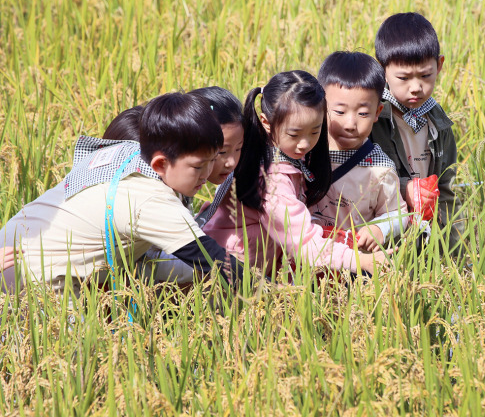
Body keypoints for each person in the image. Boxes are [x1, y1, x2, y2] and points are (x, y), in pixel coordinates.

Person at [0, 92, 241, 295]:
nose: (207, 173)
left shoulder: (128, 153)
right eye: (198, 166)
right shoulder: (150, 200)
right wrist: (273, 296)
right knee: (82, 349)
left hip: (14, 241)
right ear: (159, 164)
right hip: (33, 273)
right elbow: (212, 260)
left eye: (213, 160)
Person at [203, 70, 387, 277]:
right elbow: (304, 243)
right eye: (294, 134)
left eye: (315, 131)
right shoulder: (273, 182)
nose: (305, 143)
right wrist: (360, 261)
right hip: (230, 271)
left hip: (258, 264)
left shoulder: (279, 150)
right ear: (266, 122)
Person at [370, 12, 464, 253]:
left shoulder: (439, 124)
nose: (416, 87)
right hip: (382, 239)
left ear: (439, 65)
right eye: (403, 78)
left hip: (427, 239)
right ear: (382, 71)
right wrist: (404, 188)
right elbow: (358, 182)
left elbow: (447, 191)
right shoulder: (370, 120)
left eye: (425, 75)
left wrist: (457, 253)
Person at [141, 86, 245, 284]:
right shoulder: (155, 193)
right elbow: (203, 256)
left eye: (238, 149)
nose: (231, 162)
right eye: (221, 153)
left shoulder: (178, 176)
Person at [310, 51, 408, 252]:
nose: (350, 124)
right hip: (307, 262)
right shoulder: (305, 154)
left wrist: (379, 229)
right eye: (339, 111)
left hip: (357, 267)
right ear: (321, 106)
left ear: (377, 113)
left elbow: (398, 214)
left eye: (363, 113)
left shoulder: (380, 169)